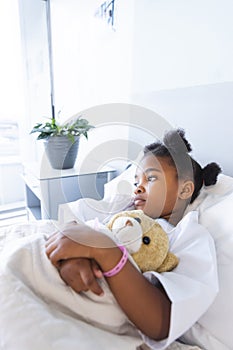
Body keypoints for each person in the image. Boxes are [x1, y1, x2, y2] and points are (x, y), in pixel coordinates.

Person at [45, 128, 221, 349]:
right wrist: (73, 256)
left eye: (151, 178)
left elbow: (161, 323)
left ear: (185, 190)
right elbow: (72, 224)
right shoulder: (121, 209)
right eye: (136, 179)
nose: (138, 187)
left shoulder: (189, 236)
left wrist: (106, 251)